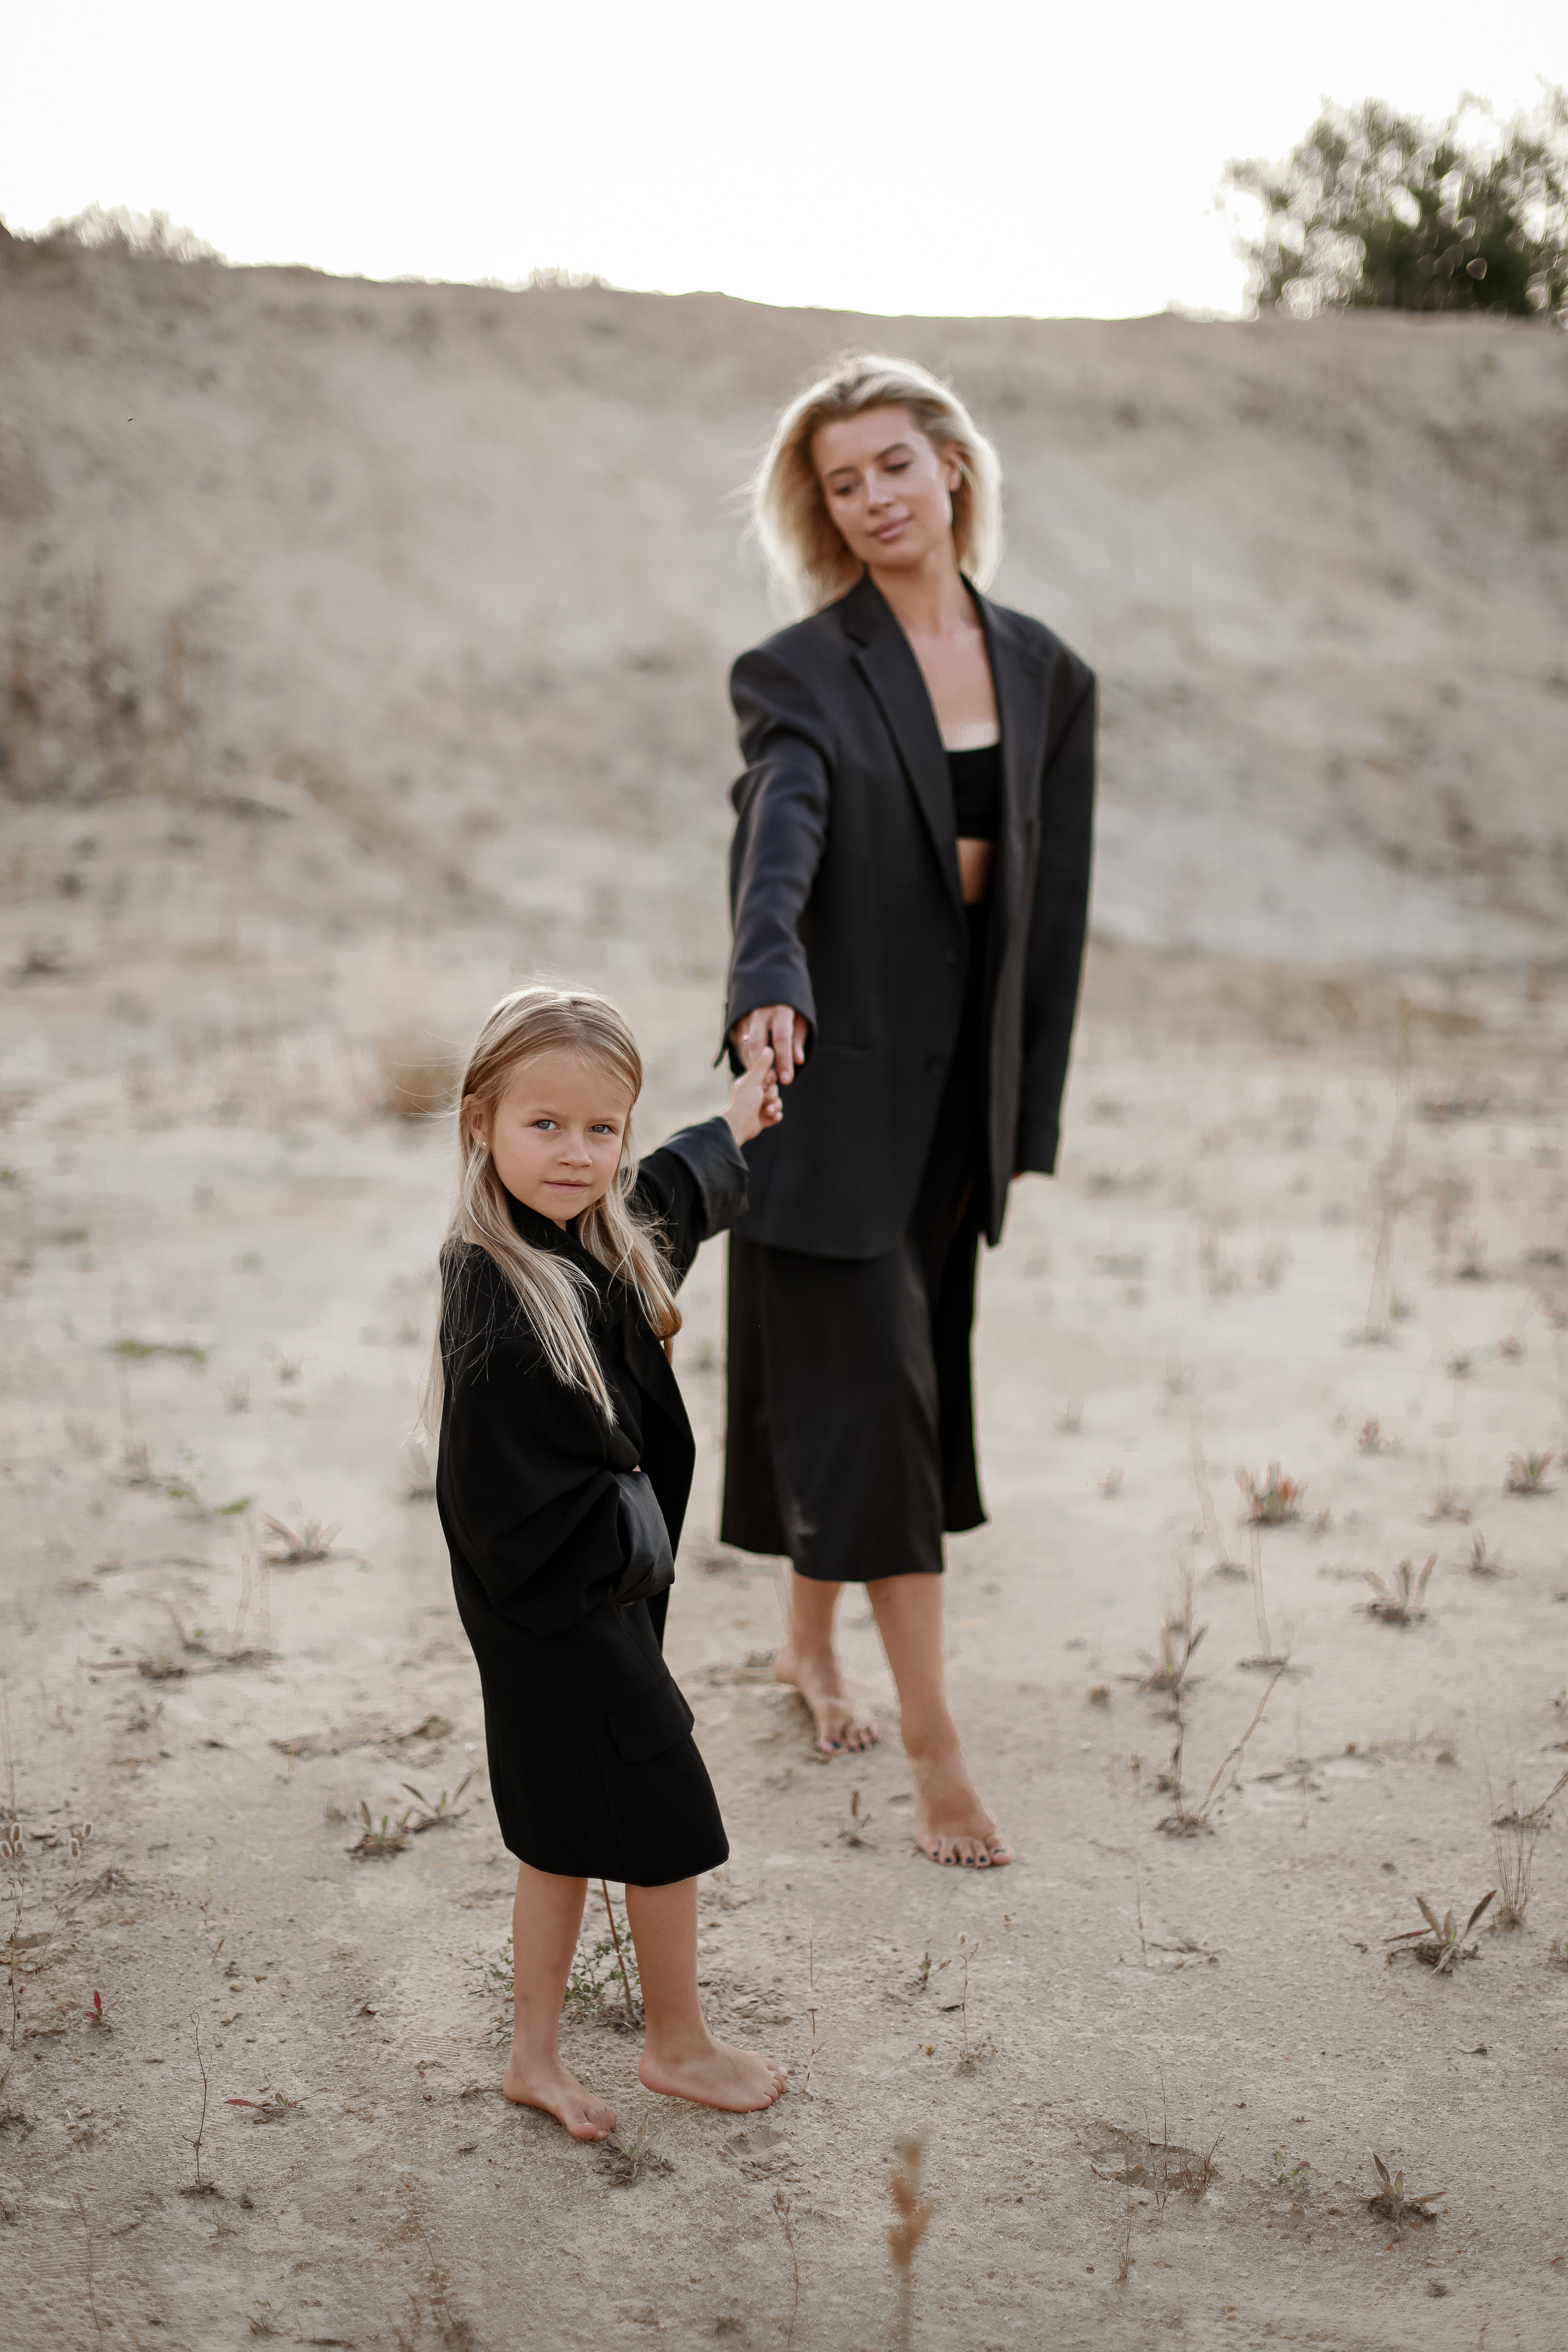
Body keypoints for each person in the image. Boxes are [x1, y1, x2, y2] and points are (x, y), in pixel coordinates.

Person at [720, 354, 1096, 1870]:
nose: (871, 497)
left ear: (950, 465)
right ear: (820, 511)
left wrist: (1024, 1126)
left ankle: (803, 1651)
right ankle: (936, 1751)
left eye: (892, 464)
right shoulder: (797, 673)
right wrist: (764, 982)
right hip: (821, 1089)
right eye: (839, 482)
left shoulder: (1047, 673)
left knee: (881, 1393)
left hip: (953, 1115)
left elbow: (1049, 916)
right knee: (874, 1409)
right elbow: (779, 842)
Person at [433, 984, 786, 2139]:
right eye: (546, 1126)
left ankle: (533, 2058)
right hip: (557, 1605)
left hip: (594, 1596)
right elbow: (497, 1504)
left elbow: (668, 1198)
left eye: (603, 1130)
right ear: (481, 1119)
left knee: (559, 1826)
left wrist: (733, 1120)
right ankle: (674, 2042)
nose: (578, 1156)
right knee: (665, 1799)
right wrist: (611, 1569)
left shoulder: (592, 1229)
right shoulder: (498, 1288)